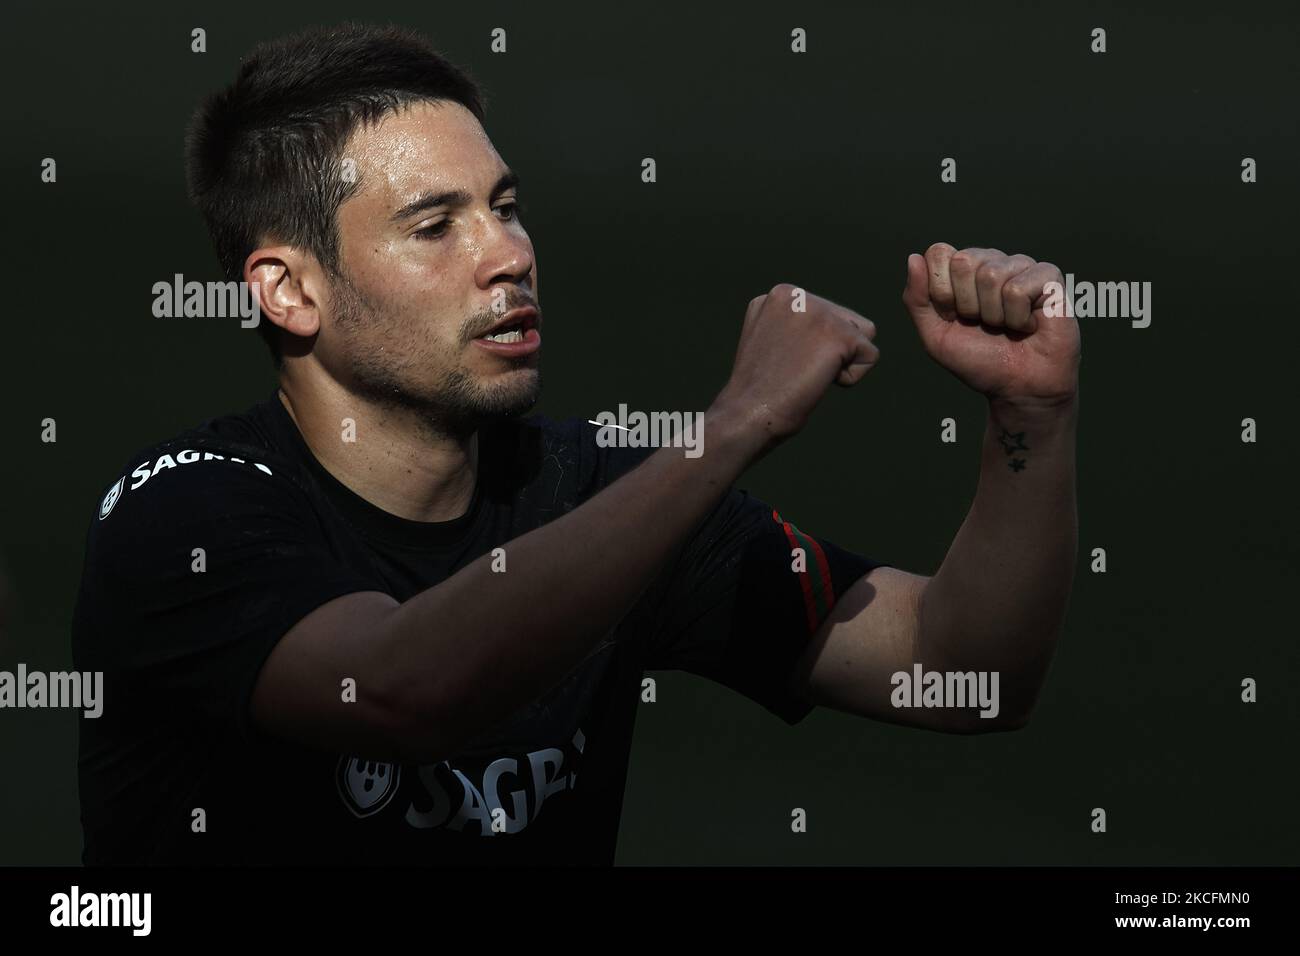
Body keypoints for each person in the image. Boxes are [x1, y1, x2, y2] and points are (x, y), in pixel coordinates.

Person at [72, 23, 1081, 865]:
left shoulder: (595, 493)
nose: (507, 254)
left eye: (504, 208)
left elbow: (963, 673)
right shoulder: (187, 514)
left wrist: (1028, 415)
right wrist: (728, 428)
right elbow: (397, 689)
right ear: (289, 290)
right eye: (435, 226)